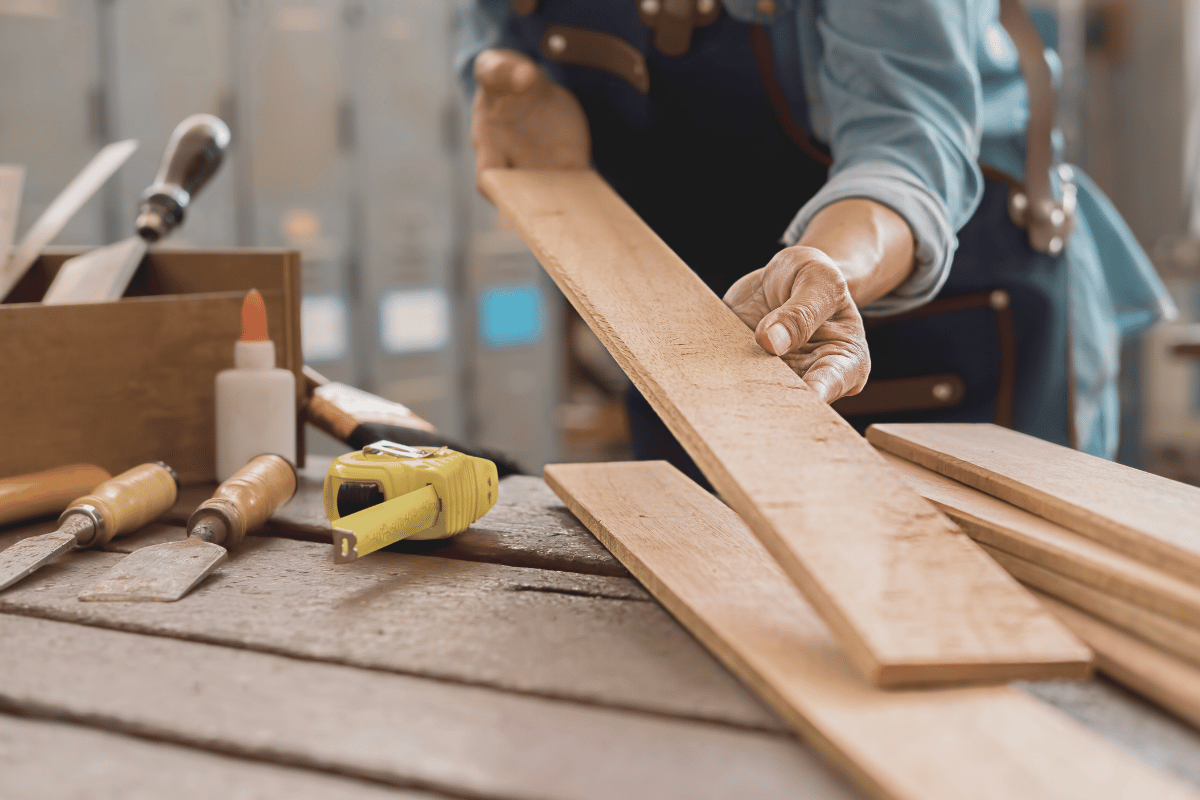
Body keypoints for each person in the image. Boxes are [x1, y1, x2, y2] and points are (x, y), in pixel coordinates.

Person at [456, 0, 1174, 476]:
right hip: (711, 318)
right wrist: (507, 81)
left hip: (944, 305)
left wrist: (827, 265)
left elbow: (906, 148)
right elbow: (493, 30)